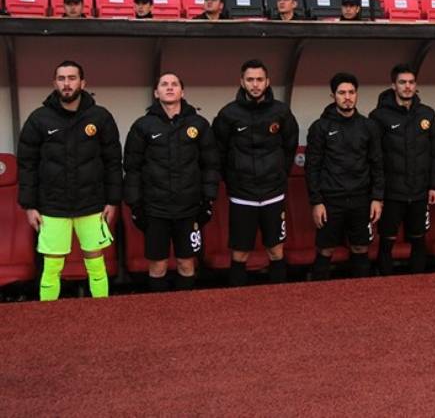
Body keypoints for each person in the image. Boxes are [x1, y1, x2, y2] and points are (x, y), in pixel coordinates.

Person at [17, 61, 122, 301]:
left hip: (92, 204)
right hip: (52, 206)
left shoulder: (100, 117)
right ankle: (47, 319)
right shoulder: (38, 119)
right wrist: (29, 205)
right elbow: (27, 165)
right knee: (52, 268)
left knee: (96, 265)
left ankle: (102, 315)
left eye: (72, 78)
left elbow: (113, 162)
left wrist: (113, 201)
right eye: (62, 78)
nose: (67, 83)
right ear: (54, 83)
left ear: (82, 83)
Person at [124, 72, 220, 292]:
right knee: (157, 265)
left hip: (189, 209)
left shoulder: (199, 124)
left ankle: (186, 313)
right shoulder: (143, 126)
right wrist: (135, 205)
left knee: (186, 263)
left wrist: (208, 201)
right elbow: (132, 168)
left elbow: (211, 165)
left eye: (174, 84)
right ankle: (159, 315)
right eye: (164, 84)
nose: (169, 88)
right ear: (156, 92)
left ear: (182, 92)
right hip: (155, 210)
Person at [212, 60, 299, 286]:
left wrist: (280, 174)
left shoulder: (281, 112)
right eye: (250, 80)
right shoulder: (228, 114)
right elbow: (218, 152)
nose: (255, 84)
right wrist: (232, 179)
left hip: (273, 193)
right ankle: (238, 303)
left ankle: (278, 301)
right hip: (242, 195)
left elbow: (289, 147)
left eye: (259, 79)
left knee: (276, 250)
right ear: (242, 82)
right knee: (240, 253)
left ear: (267, 82)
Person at [305, 72, 384, 280]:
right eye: (342, 93)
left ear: (356, 95)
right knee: (326, 250)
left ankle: (361, 299)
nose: (347, 97)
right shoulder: (320, 128)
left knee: (361, 248)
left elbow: (377, 164)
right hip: (331, 200)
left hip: (361, 199)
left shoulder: (368, 127)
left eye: (351, 92)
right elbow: (312, 168)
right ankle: (318, 298)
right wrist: (316, 202)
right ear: (333, 96)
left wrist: (377, 198)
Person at [369, 65, 435, 275]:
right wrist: (378, 194)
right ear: (394, 85)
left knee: (419, 240)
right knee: (387, 242)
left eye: (411, 82)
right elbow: (375, 158)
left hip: (419, 192)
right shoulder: (379, 116)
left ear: (416, 85)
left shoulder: (427, 114)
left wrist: (434, 186)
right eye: (402, 82)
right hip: (392, 193)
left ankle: (418, 285)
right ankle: (386, 285)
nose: (407, 86)